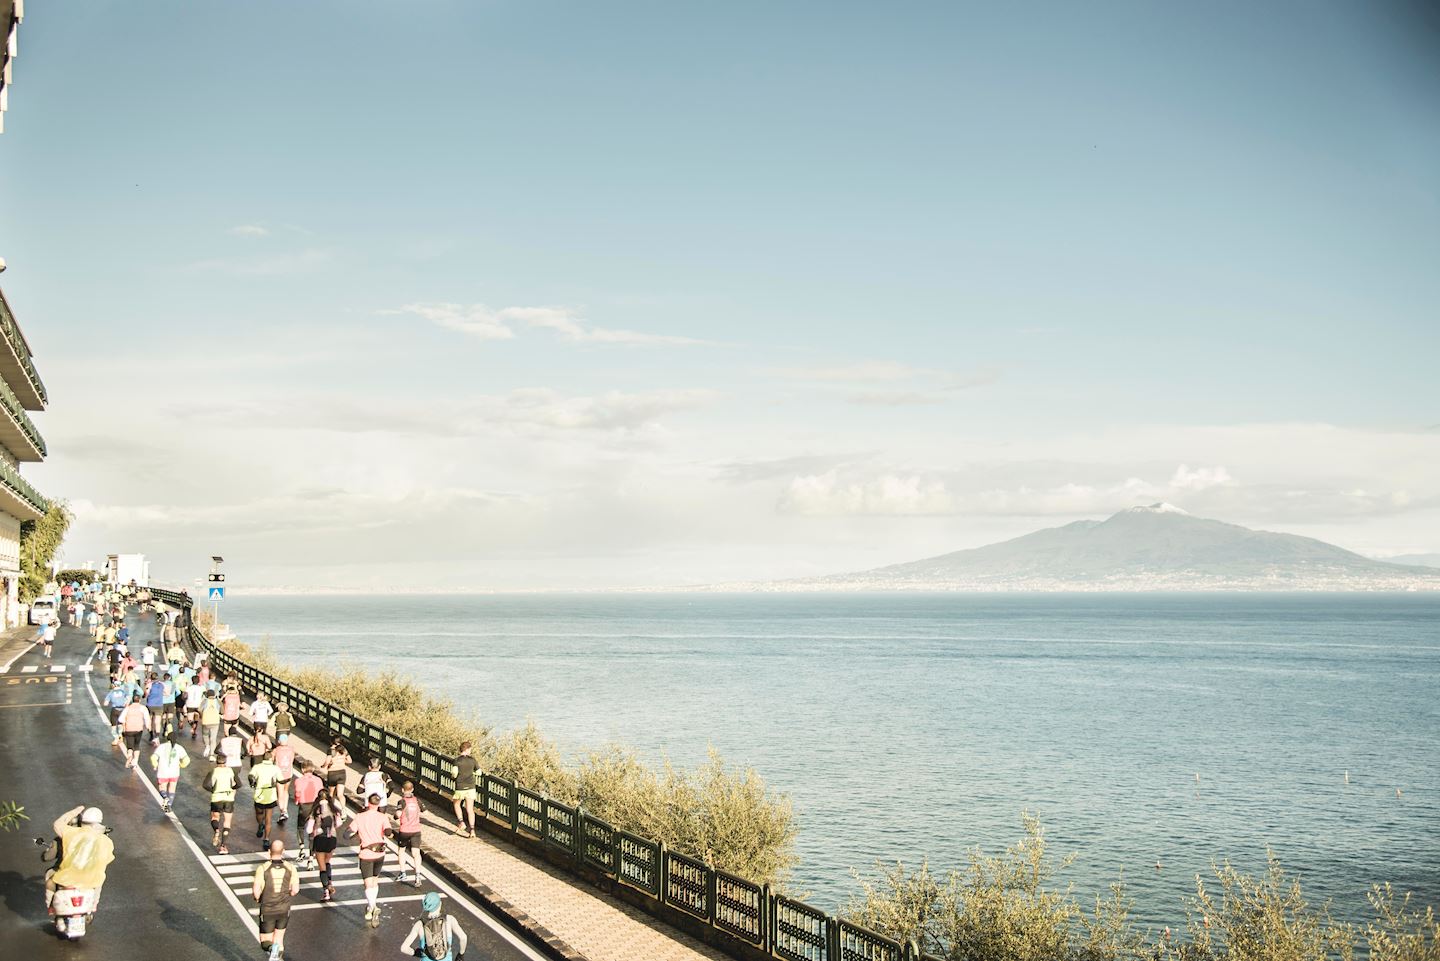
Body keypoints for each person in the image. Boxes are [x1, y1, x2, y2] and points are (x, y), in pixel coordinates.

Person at [45, 806, 115, 913]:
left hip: (67, 878)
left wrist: (75, 811)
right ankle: (93, 905)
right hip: (91, 880)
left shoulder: (71, 833)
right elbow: (107, 859)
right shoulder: (106, 841)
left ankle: (52, 908)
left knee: (50, 881)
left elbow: (57, 824)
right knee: (100, 880)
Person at [252, 839, 300, 961]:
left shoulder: (263, 868)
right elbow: (295, 890)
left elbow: (256, 892)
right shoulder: (290, 868)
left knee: (265, 942)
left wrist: (257, 898)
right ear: (283, 851)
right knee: (279, 939)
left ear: (269, 851)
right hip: (284, 909)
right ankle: (276, 954)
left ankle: (272, 949)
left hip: (268, 909)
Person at [346, 792, 391, 921]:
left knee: (367, 883)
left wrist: (355, 834)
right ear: (378, 804)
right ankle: (371, 906)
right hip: (380, 853)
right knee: (375, 880)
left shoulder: (360, 817)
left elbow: (348, 833)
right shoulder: (383, 817)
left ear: (368, 802)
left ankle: (373, 906)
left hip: (366, 853)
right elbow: (388, 832)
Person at [401, 892, 468, 961]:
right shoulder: (449, 919)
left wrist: (415, 953)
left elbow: (404, 948)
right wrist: (460, 955)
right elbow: (463, 938)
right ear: (440, 904)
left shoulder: (419, 924)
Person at [204, 756, 239, 853]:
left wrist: (213, 790)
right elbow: (239, 784)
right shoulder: (231, 771)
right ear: (225, 762)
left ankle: (216, 830)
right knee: (227, 822)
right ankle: (223, 846)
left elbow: (205, 785)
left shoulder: (213, 771)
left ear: (217, 762)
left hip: (217, 798)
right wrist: (232, 788)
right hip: (228, 798)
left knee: (215, 817)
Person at [393, 780, 424, 886]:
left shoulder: (401, 801)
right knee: (416, 853)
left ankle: (403, 872)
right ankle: (418, 875)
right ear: (413, 789)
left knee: (401, 850)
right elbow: (425, 811)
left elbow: (398, 814)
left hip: (405, 830)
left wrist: (395, 816)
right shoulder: (417, 800)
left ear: (402, 790)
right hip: (416, 830)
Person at [150, 731, 191, 813]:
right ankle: (169, 806)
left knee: (162, 788)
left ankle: (165, 798)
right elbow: (187, 760)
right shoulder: (179, 748)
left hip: (163, 772)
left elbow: (153, 757)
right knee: (172, 788)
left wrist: (155, 765)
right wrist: (181, 765)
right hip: (175, 772)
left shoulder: (161, 747)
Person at [309, 794, 339, 901]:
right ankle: (330, 881)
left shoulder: (316, 810)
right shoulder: (333, 809)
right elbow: (339, 823)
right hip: (332, 838)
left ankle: (326, 890)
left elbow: (308, 829)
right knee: (327, 862)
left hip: (320, 839)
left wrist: (313, 830)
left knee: (322, 867)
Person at [291, 760, 324, 856]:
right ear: (313, 769)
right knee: (313, 830)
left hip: (304, 806)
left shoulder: (299, 780)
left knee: (300, 827)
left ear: (302, 769)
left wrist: (297, 800)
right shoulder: (318, 780)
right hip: (315, 806)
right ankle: (311, 857)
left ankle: (301, 847)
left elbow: (297, 793)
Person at [250, 750, 282, 846]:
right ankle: (266, 839)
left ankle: (260, 824)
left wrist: (252, 783)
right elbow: (281, 779)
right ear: (271, 759)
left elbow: (250, 776)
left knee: (259, 813)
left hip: (259, 794)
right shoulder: (275, 768)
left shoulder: (257, 767)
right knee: (269, 818)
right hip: (271, 795)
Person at [451, 741, 479, 838]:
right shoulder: (473, 760)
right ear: (467, 750)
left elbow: (454, 773)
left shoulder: (457, 760)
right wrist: (472, 773)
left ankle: (461, 822)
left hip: (460, 786)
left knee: (456, 803)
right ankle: (472, 830)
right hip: (471, 786)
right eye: (470, 749)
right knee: (470, 809)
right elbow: (479, 772)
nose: (470, 751)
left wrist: (453, 777)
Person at [118, 693, 152, 768]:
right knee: (136, 745)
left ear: (132, 700)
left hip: (129, 729)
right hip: (138, 729)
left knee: (130, 746)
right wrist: (148, 726)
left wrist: (123, 727)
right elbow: (147, 718)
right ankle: (135, 761)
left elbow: (121, 719)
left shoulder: (128, 708)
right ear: (139, 700)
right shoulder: (143, 708)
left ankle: (129, 755)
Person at [321, 739, 350, 811]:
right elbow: (350, 761)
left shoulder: (331, 750)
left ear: (331, 742)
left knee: (331, 793)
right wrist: (342, 761)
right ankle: (343, 809)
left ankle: (331, 808)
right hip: (342, 773)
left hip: (333, 773)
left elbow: (327, 761)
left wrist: (323, 766)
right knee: (340, 794)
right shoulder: (343, 750)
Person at [272, 734, 296, 825]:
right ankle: (285, 809)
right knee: (286, 791)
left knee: (280, 793)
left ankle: (282, 811)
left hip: (280, 774)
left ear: (279, 741)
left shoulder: (276, 750)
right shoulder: (291, 749)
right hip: (288, 773)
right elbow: (292, 760)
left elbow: (273, 760)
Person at [102, 682, 128, 746]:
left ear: (114, 685)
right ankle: (120, 735)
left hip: (115, 709)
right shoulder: (123, 692)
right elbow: (128, 698)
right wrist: (125, 704)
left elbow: (106, 703)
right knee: (120, 723)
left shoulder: (111, 693)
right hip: (122, 709)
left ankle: (116, 739)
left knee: (113, 724)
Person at [200, 690, 222, 757]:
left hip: (206, 721)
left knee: (205, 735)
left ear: (207, 695)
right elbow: (222, 711)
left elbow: (199, 709)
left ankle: (207, 746)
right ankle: (212, 754)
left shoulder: (205, 701)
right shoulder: (218, 702)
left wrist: (202, 715)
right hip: (215, 721)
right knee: (213, 738)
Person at [185, 676, 206, 740]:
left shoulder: (188, 687)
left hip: (190, 704)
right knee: (196, 717)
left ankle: (193, 727)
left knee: (189, 719)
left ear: (192, 680)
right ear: (199, 680)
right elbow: (205, 694)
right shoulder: (202, 687)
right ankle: (194, 729)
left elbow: (184, 695)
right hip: (198, 704)